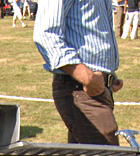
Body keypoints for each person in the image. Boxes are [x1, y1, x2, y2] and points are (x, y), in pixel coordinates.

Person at [34, 0, 123, 145]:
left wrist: (107, 76)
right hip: (79, 88)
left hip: (95, 88)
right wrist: (87, 77)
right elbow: (46, 34)